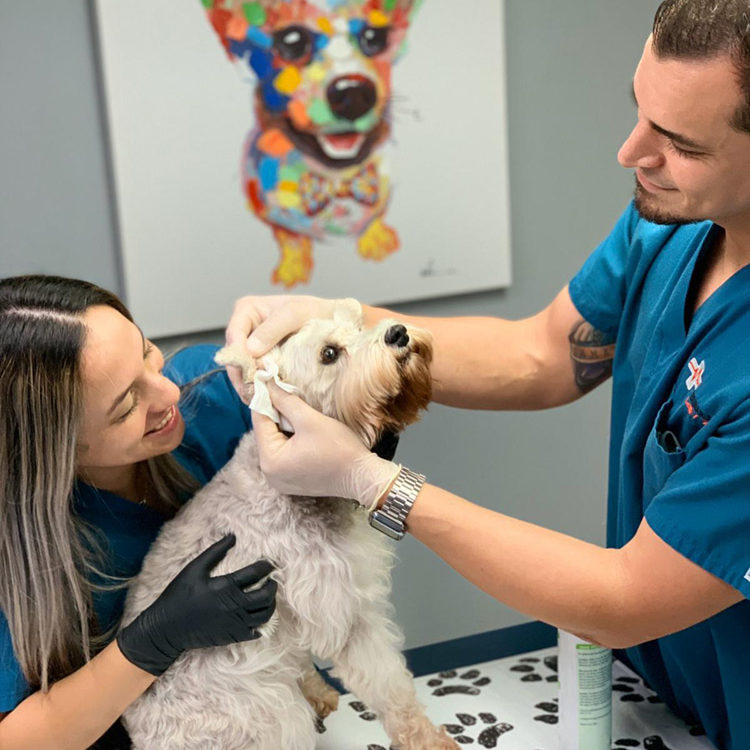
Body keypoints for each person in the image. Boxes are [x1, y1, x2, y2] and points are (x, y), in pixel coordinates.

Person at [224, 2, 750, 748]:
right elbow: (540, 354)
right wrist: (338, 313)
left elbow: (628, 595)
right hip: (663, 691)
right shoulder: (674, 218)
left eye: (679, 142)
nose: (631, 152)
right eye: (639, 111)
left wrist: (376, 485)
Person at [0, 275, 277, 749]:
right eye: (127, 403)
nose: (169, 393)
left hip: (277, 704)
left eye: (148, 351)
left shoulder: (214, 396)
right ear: (54, 450)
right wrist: (152, 641)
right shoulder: (22, 566)